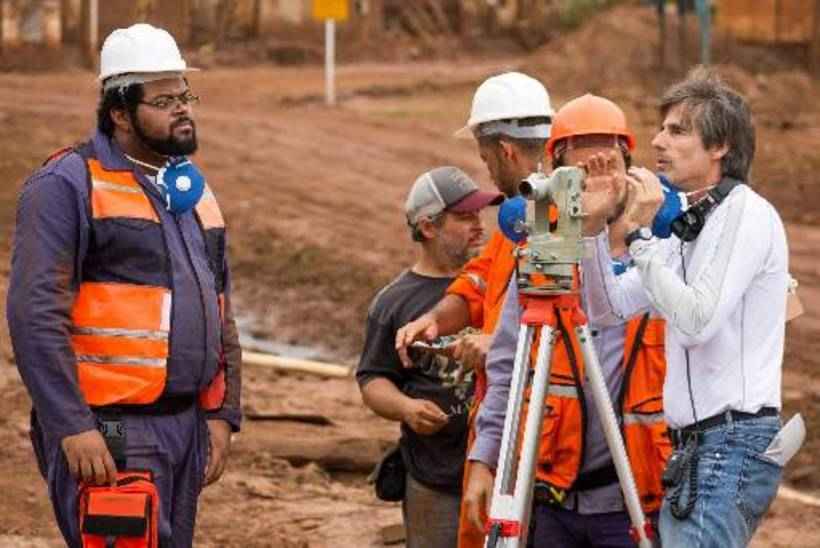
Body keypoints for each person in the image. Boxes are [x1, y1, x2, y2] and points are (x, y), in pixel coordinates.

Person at [6, 23, 241, 547]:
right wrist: (70, 424)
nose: (183, 108)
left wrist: (222, 414)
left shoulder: (190, 189)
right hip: (111, 431)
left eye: (185, 94)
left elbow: (219, 309)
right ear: (119, 112)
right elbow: (34, 315)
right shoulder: (66, 185)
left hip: (184, 428)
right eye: (163, 100)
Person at [582, 67, 788, 547]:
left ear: (720, 147)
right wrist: (594, 229)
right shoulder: (692, 226)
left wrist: (637, 234)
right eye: (661, 128)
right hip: (699, 446)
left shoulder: (746, 213)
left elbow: (696, 321)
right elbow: (606, 309)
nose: (658, 141)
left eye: (677, 131)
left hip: (729, 442)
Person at [463, 94, 670, 547]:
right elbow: (506, 371)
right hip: (551, 498)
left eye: (609, 166)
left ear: (631, 170)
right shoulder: (545, 261)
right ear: (556, 180)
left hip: (634, 500)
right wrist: (485, 459)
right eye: (582, 174)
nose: (598, 183)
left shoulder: (660, 259)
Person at [393, 71, 553, 548]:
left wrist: (500, 346)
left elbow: (584, 332)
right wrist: (436, 319)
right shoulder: (516, 214)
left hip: (543, 436)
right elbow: (483, 279)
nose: (486, 170)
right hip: (500, 423)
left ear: (505, 149)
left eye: (485, 157)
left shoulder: (567, 214)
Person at [357, 166, 503, 548]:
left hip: (503, 471)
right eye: (464, 216)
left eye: (479, 214)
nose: (479, 225)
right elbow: (372, 379)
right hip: (434, 478)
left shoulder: (501, 283)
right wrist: (406, 408)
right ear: (427, 227)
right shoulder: (394, 303)